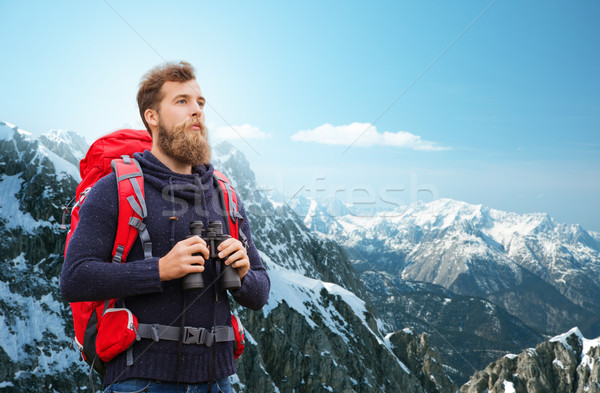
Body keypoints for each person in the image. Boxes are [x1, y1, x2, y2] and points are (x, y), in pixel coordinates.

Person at [60, 61, 270, 393]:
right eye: (182, 101)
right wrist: (160, 269)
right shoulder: (116, 189)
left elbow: (260, 293)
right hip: (141, 380)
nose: (197, 111)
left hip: (218, 380)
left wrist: (243, 274)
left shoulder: (224, 195)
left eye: (200, 103)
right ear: (152, 117)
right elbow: (74, 279)